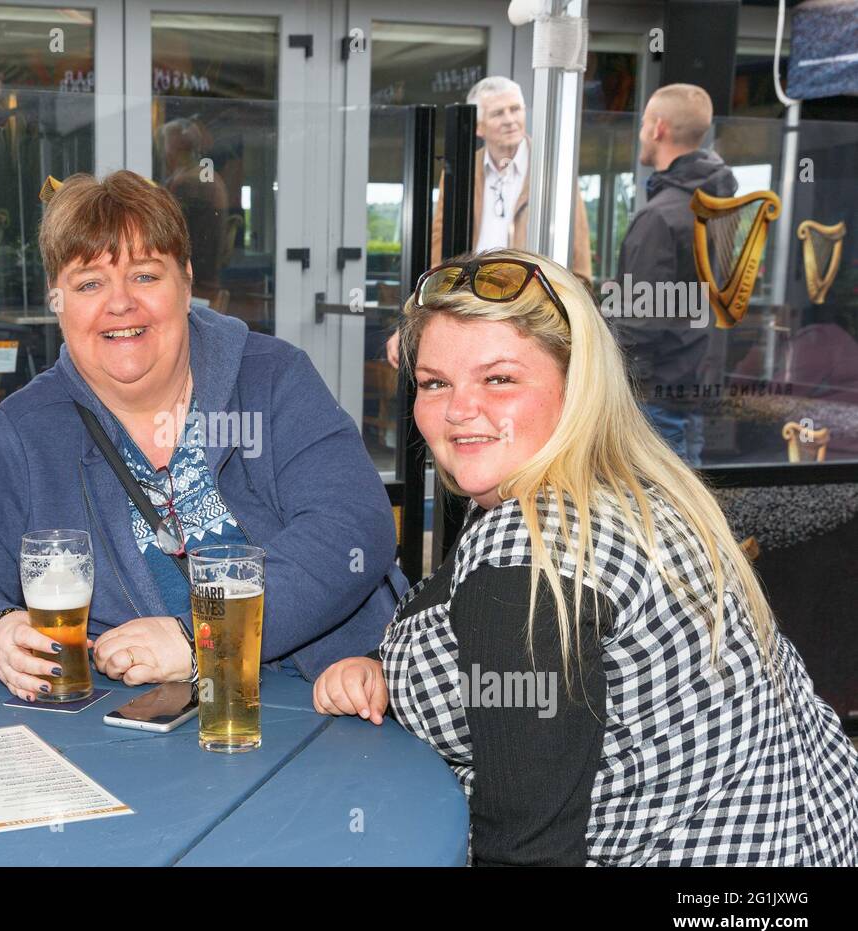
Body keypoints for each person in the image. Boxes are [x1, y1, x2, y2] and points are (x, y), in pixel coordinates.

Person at [315, 249, 858, 865]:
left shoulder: (527, 561)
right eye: (436, 382)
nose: (458, 409)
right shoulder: (624, 486)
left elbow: (528, 853)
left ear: (575, 385)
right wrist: (386, 669)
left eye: (499, 379)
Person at [0, 170, 405, 700]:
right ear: (58, 301)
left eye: (145, 275)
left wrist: (205, 638)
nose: (120, 304)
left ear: (186, 281)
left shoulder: (271, 377)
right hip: (156, 736)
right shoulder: (29, 427)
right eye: (89, 283)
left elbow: (352, 526)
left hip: (331, 701)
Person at [385, 75, 592, 368]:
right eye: (498, 113)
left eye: (515, 109)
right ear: (479, 127)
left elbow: (579, 255)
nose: (510, 120)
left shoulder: (552, 170)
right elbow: (438, 251)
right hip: (472, 310)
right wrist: (413, 320)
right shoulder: (460, 170)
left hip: (532, 314)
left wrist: (572, 325)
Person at [613, 83, 736, 465]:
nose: (641, 133)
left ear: (658, 128)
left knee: (655, 517)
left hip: (655, 398)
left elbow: (638, 321)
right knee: (687, 512)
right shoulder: (721, 206)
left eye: (644, 123)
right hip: (693, 387)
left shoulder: (659, 217)